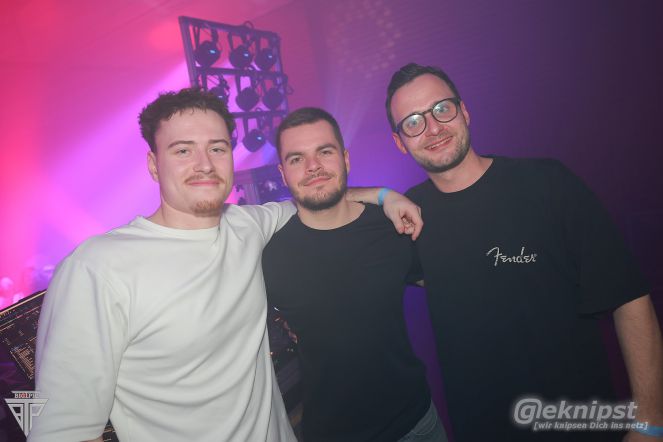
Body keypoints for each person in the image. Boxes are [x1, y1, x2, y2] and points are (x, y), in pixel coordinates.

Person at [29, 88, 422, 442]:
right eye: (183, 150)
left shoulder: (248, 225)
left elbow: (318, 192)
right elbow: (61, 431)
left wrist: (384, 195)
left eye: (217, 148)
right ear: (153, 164)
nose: (204, 164)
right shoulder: (96, 269)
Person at [385, 63, 663, 441]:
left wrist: (649, 421)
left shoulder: (547, 184)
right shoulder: (408, 220)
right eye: (413, 122)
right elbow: (327, 210)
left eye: (442, 109)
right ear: (400, 141)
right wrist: (381, 196)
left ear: (464, 111)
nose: (432, 128)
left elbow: (628, 297)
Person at [262, 107, 447, 441]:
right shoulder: (269, 256)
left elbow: (454, 284)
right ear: (283, 173)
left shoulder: (391, 226)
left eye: (325, 152)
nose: (313, 166)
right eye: (297, 159)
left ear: (345, 159)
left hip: (418, 424)